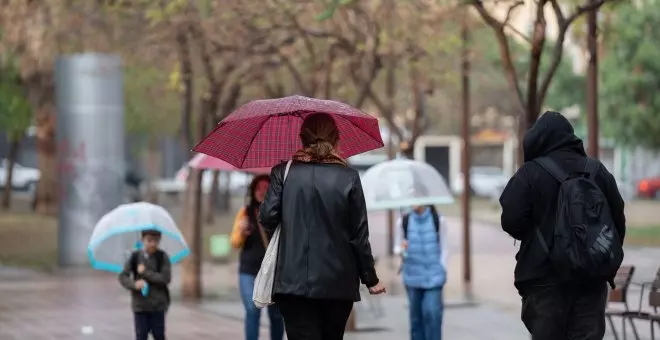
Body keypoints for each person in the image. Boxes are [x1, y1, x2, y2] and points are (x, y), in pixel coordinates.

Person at [499, 111, 626, 340]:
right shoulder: (597, 172)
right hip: (590, 282)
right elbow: (617, 222)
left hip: (545, 285)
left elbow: (511, 219)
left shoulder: (530, 174)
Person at [259, 112, 386, 340]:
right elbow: (359, 236)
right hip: (337, 284)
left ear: (302, 138)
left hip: (292, 282)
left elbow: (267, 217)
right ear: (336, 138)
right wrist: (371, 279)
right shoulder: (348, 177)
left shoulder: (284, 173)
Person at [230, 174, 284, 340]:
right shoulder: (245, 212)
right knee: (252, 311)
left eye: (266, 188)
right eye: (259, 188)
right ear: (253, 191)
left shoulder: (280, 212)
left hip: (274, 272)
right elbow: (234, 243)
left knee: (276, 315)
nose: (262, 192)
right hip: (249, 271)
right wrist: (241, 231)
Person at [399, 205, 448, 340]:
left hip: (434, 277)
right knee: (416, 320)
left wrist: (442, 268)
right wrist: (403, 249)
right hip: (412, 277)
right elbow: (400, 252)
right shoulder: (404, 221)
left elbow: (444, 248)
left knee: (433, 314)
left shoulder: (437, 219)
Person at [118, 229, 172, 340]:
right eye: (149, 240)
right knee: (141, 336)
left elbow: (165, 279)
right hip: (140, 306)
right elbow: (123, 276)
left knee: (159, 335)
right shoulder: (135, 257)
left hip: (158, 306)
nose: (153, 244)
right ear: (143, 240)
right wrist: (134, 284)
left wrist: (145, 272)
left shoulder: (162, 257)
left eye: (156, 240)